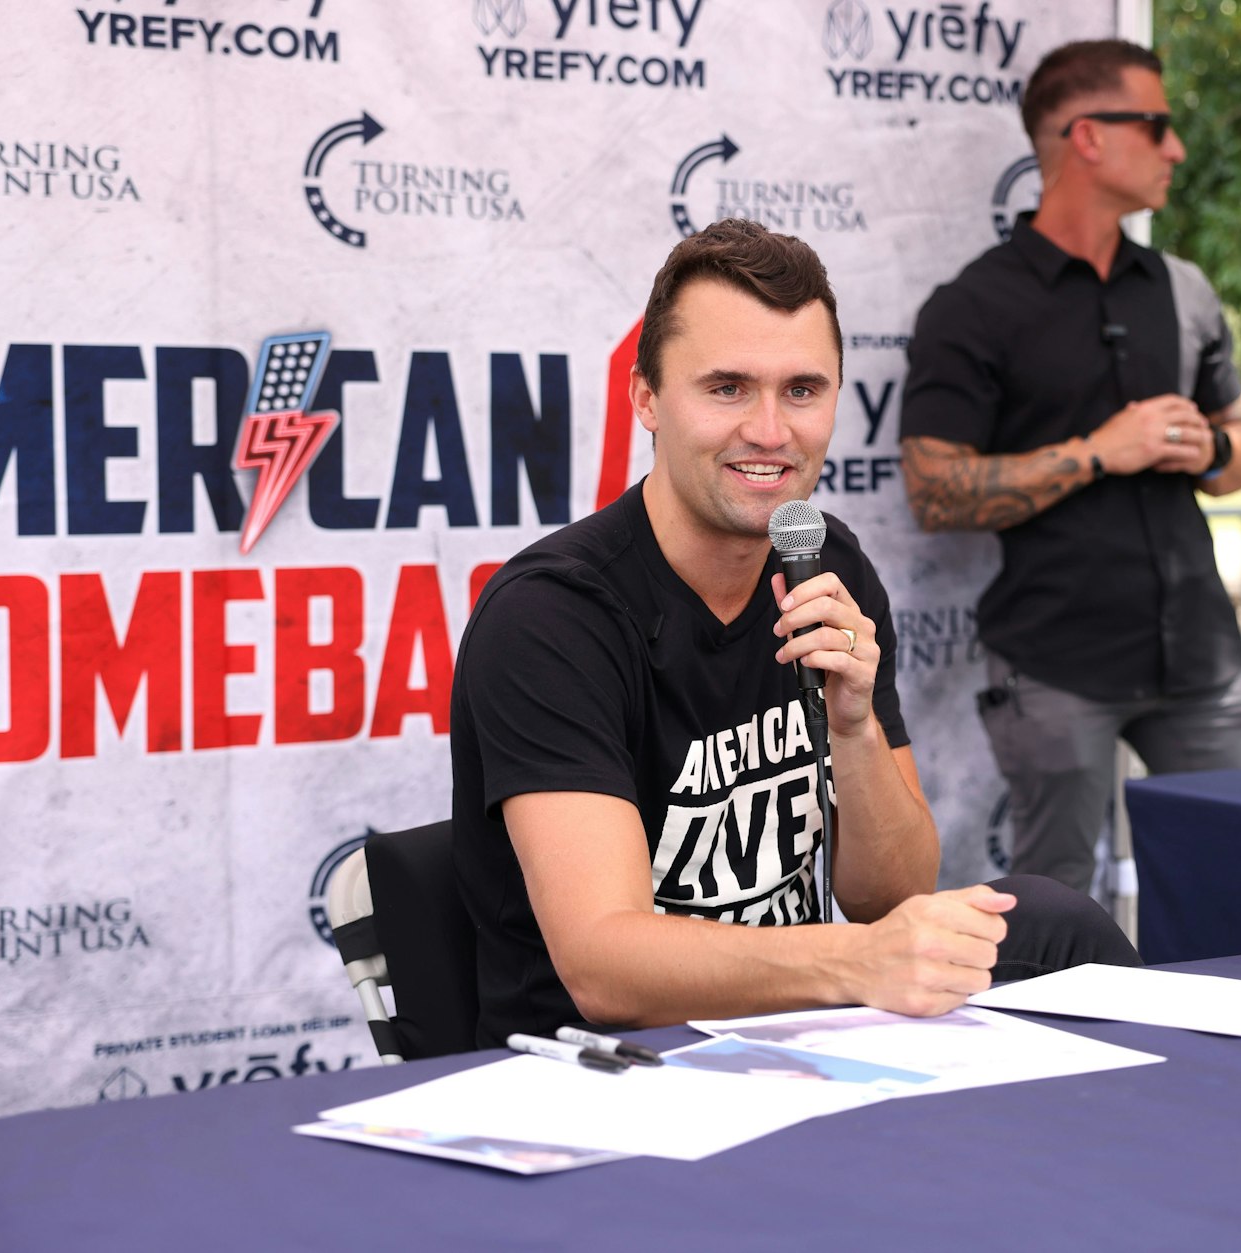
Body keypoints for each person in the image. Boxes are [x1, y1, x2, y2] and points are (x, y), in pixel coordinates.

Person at [451, 219, 1139, 1049]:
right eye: (728, 388)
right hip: (614, 1074)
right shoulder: (553, 615)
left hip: (801, 1035)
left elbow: (889, 899)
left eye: (803, 390)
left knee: (1060, 927)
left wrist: (853, 725)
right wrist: (857, 963)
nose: (772, 432)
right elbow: (605, 967)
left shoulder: (825, 561)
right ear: (646, 400)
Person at [898, 39, 1241, 894]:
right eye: (1157, 124)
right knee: (1061, 905)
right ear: (1088, 137)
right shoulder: (975, 306)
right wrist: (1100, 452)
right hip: (1056, 663)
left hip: (1205, 661)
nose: (1176, 148)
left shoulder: (1184, 289)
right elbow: (933, 489)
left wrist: (1211, 449)